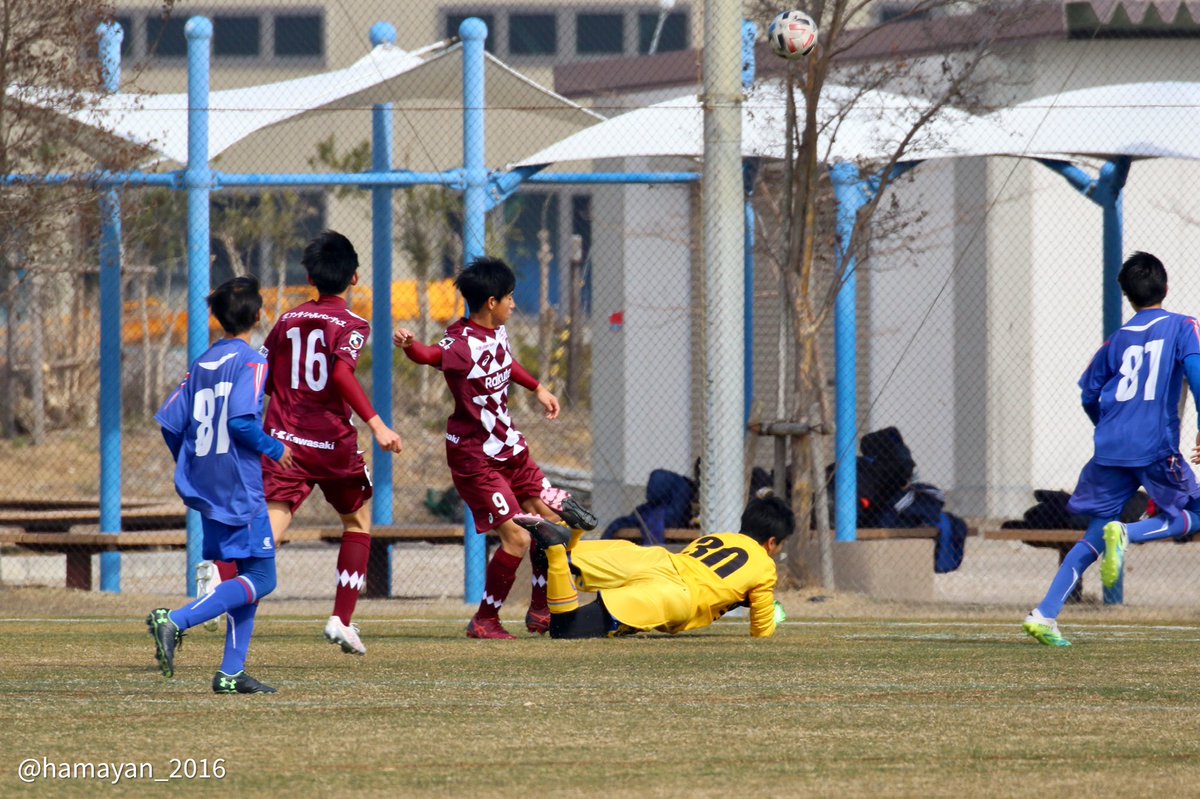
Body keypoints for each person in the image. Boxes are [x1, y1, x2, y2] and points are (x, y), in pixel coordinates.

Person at [393, 256, 596, 640]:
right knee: (518, 537)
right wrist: (409, 345)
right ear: (491, 302)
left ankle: (541, 611)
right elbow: (429, 355)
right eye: (510, 298)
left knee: (552, 527)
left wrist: (538, 388)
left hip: (510, 448)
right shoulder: (460, 344)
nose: (514, 304)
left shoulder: (497, 332)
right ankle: (485, 620)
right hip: (476, 459)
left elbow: (507, 362)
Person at [1024, 251, 1200, 647]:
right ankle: (1128, 533)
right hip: (1155, 445)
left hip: (1110, 448)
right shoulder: (1184, 326)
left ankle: (1045, 614)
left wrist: (1108, 428)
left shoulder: (1116, 340)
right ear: (1166, 287)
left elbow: (1088, 393)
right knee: (1197, 512)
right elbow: (1196, 371)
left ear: (1127, 295)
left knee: (1093, 532)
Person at [148, 276, 294, 694]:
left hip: (210, 482)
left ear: (217, 317)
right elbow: (240, 421)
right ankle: (175, 621)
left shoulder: (201, 363)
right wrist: (272, 448)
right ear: (259, 315)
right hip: (239, 485)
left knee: (246, 576)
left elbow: (171, 422)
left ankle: (231, 672)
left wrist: (194, 461)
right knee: (264, 578)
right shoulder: (251, 361)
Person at [260, 230, 403, 656]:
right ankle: (341, 619)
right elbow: (341, 375)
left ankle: (222, 579)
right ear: (355, 278)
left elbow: (265, 376)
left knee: (272, 529)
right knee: (357, 525)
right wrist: (377, 425)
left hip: (284, 438)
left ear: (309, 277)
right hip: (332, 443)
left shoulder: (286, 320)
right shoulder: (354, 324)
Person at [518, 495, 794, 639]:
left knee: (556, 558)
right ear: (772, 542)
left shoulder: (718, 537)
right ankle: (556, 549)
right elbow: (761, 629)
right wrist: (774, 614)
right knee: (565, 630)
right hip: (677, 595)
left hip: (658, 560)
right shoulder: (765, 567)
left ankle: (572, 533)